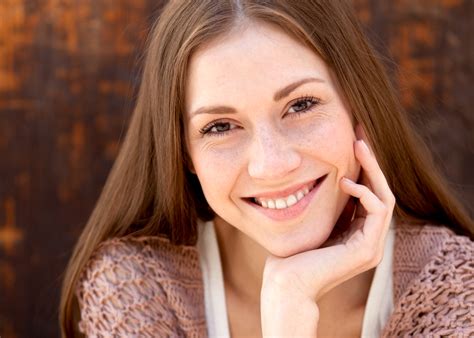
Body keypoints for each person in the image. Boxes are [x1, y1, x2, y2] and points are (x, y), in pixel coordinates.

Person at [59, 0, 474, 337]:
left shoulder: (449, 285)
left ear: (357, 104)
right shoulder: (137, 289)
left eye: (301, 105)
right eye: (220, 126)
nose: (272, 165)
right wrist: (287, 309)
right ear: (183, 151)